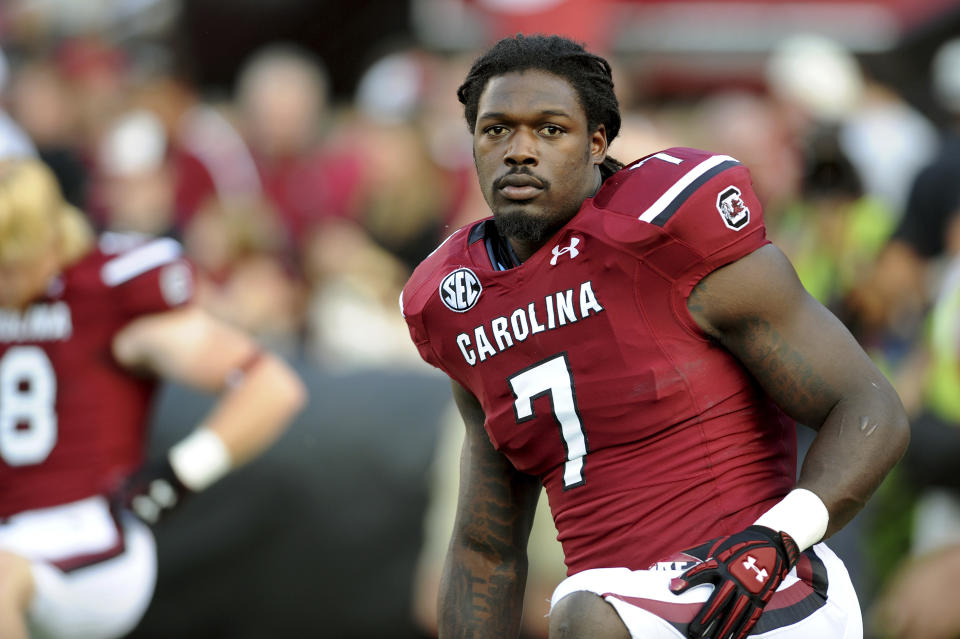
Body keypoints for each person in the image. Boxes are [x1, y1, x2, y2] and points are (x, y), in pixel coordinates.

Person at [399, 34, 909, 639]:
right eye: (497, 130)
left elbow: (869, 406)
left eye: (550, 129)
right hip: (624, 606)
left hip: (764, 590)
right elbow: (486, 549)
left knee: (582, 613)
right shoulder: (463, 305)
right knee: (585, 608)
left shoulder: (666, 239)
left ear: (596, 142)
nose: (520, 151)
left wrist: (777, 539)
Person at [0, 158, 306, 639]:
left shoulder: (104, 295)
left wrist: (180, 472)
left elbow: (271, 387)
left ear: (51, 240)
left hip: (88, 529)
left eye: (9, 268)